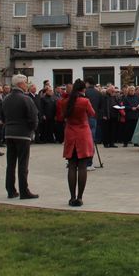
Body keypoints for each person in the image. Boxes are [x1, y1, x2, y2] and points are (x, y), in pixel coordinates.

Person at [57, 79, 96, 207]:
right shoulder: (85, 101)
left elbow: (61, 116)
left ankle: (72, 197)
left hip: (70, 133)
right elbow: (92, 113)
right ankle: (79, 197)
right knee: (83, 166)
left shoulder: (64, 102)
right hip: (83, 134)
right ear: (83, 90)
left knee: (72, 165)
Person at [1, 74, 39, 200]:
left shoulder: (6, 99)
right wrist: (32, 129)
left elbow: (2, 116)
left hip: (9, 132)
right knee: (23, 163)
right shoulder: (26, 99)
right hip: (22, 134)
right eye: (25, 83)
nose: (26, 85)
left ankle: (10, 190)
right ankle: (24, 191)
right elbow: (33, 117)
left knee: (10, 163)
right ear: (21, 84)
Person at [84, 78, 103, 169]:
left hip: (85, 117)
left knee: (84, 140)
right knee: (91, 140)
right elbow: (100, 107)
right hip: (94, 118)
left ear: (87, 83)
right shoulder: (98, 93)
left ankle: (84, 161)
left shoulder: (85, 92)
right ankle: (90, 162)